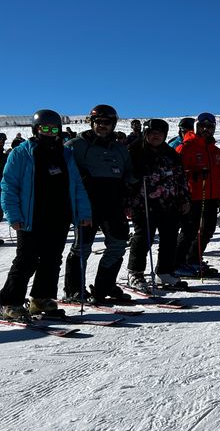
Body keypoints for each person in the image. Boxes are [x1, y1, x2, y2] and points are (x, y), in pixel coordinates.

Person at [0, 110, 92, 321]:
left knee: (52, 259)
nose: (50, 133)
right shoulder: (22, 153)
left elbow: (77, 185)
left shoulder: (65, 155)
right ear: (36, 129)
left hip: (59, 216)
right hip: (30, 217)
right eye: (45, 129)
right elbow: (8, 186)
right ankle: (8, 302)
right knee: (26, 260)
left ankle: (41, 299)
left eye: (54, 129)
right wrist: (13, 215)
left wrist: (83, 212)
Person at [63, 104, 135, 303]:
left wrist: (136, 177)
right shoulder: (75, 145)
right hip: (87, 205)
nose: (102, 126)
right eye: (99, 122)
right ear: (92, 123)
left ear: (113, 125)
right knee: (82, 247)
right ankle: (73, 290)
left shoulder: (120, 149)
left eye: (107, 123)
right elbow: (62, 171)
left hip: (113, 204)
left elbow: (128, 173)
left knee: (118, 244)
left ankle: (105, 286)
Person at [125, 119, 191, 292]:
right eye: (153, 133)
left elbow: (180, 177)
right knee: (143, 238)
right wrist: (127, 202)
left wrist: (184, 198)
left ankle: (165, 271)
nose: (156, 137)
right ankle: (136, 272)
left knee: (169, 238)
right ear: (146, 133)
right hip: (143, 204)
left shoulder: (171, 153)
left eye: (160, 134)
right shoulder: (134, 151)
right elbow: (125, 180)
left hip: (169, 203)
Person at [175, 112, 220, 275]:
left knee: (207, 230)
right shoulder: (186, 147)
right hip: (192, 196)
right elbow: (175, 173)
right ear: (196, 127)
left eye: (209, 127)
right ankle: (177, 262)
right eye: (202, 126)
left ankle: (193, 259)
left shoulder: (215, 151)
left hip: (211, 197)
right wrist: (193, 174)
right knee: (189, 231)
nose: (206, 130)